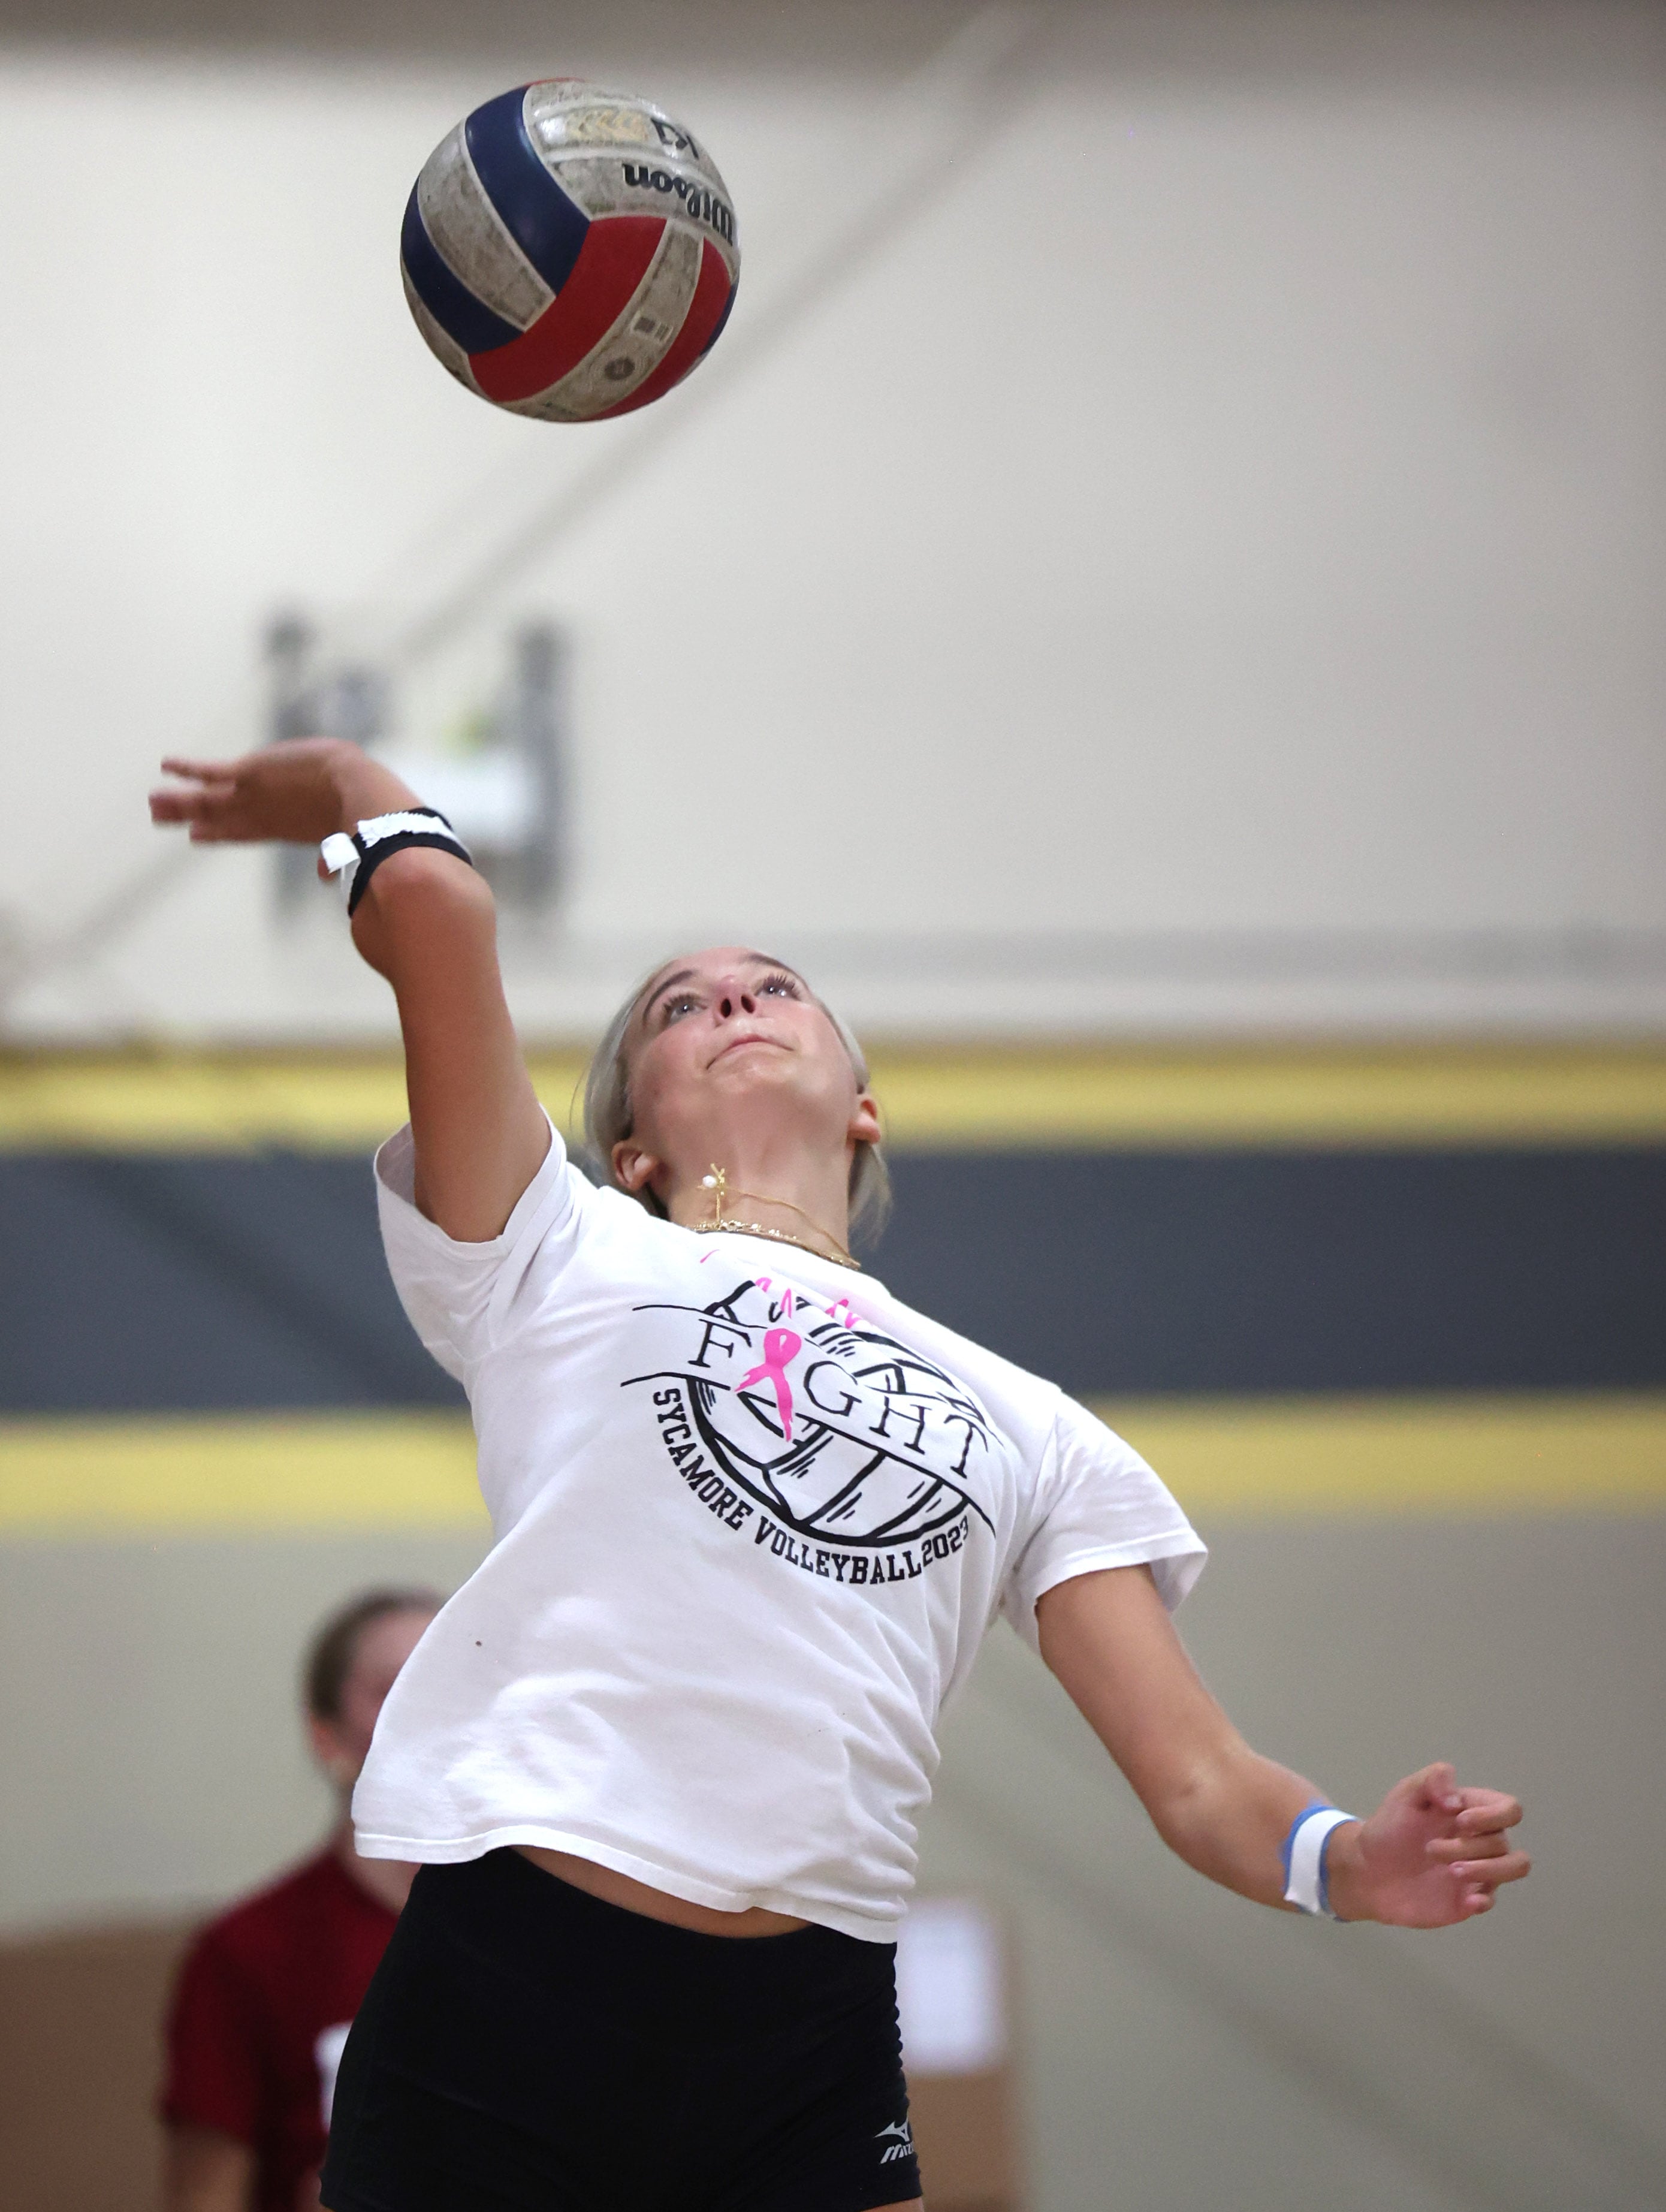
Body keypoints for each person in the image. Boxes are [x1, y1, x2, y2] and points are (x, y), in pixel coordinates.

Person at [150, 740, 1530, 2212]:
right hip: (516, 1991)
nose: (734, 1002)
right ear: (627, 1146)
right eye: (682, 1006)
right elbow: (440, 912)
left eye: (774, 986)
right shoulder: (554, 1248)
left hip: (807, 2030)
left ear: (864, 1103)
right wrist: (353, 781)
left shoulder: (1030, 1423)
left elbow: (1198, 1776)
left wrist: (1344, 1862)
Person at [159, 1587, 440, 2212]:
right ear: (327, 1737)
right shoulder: (249, 1953)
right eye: (393, 1686)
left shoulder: (550, 1931)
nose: (432, 1706)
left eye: (452, 1674)